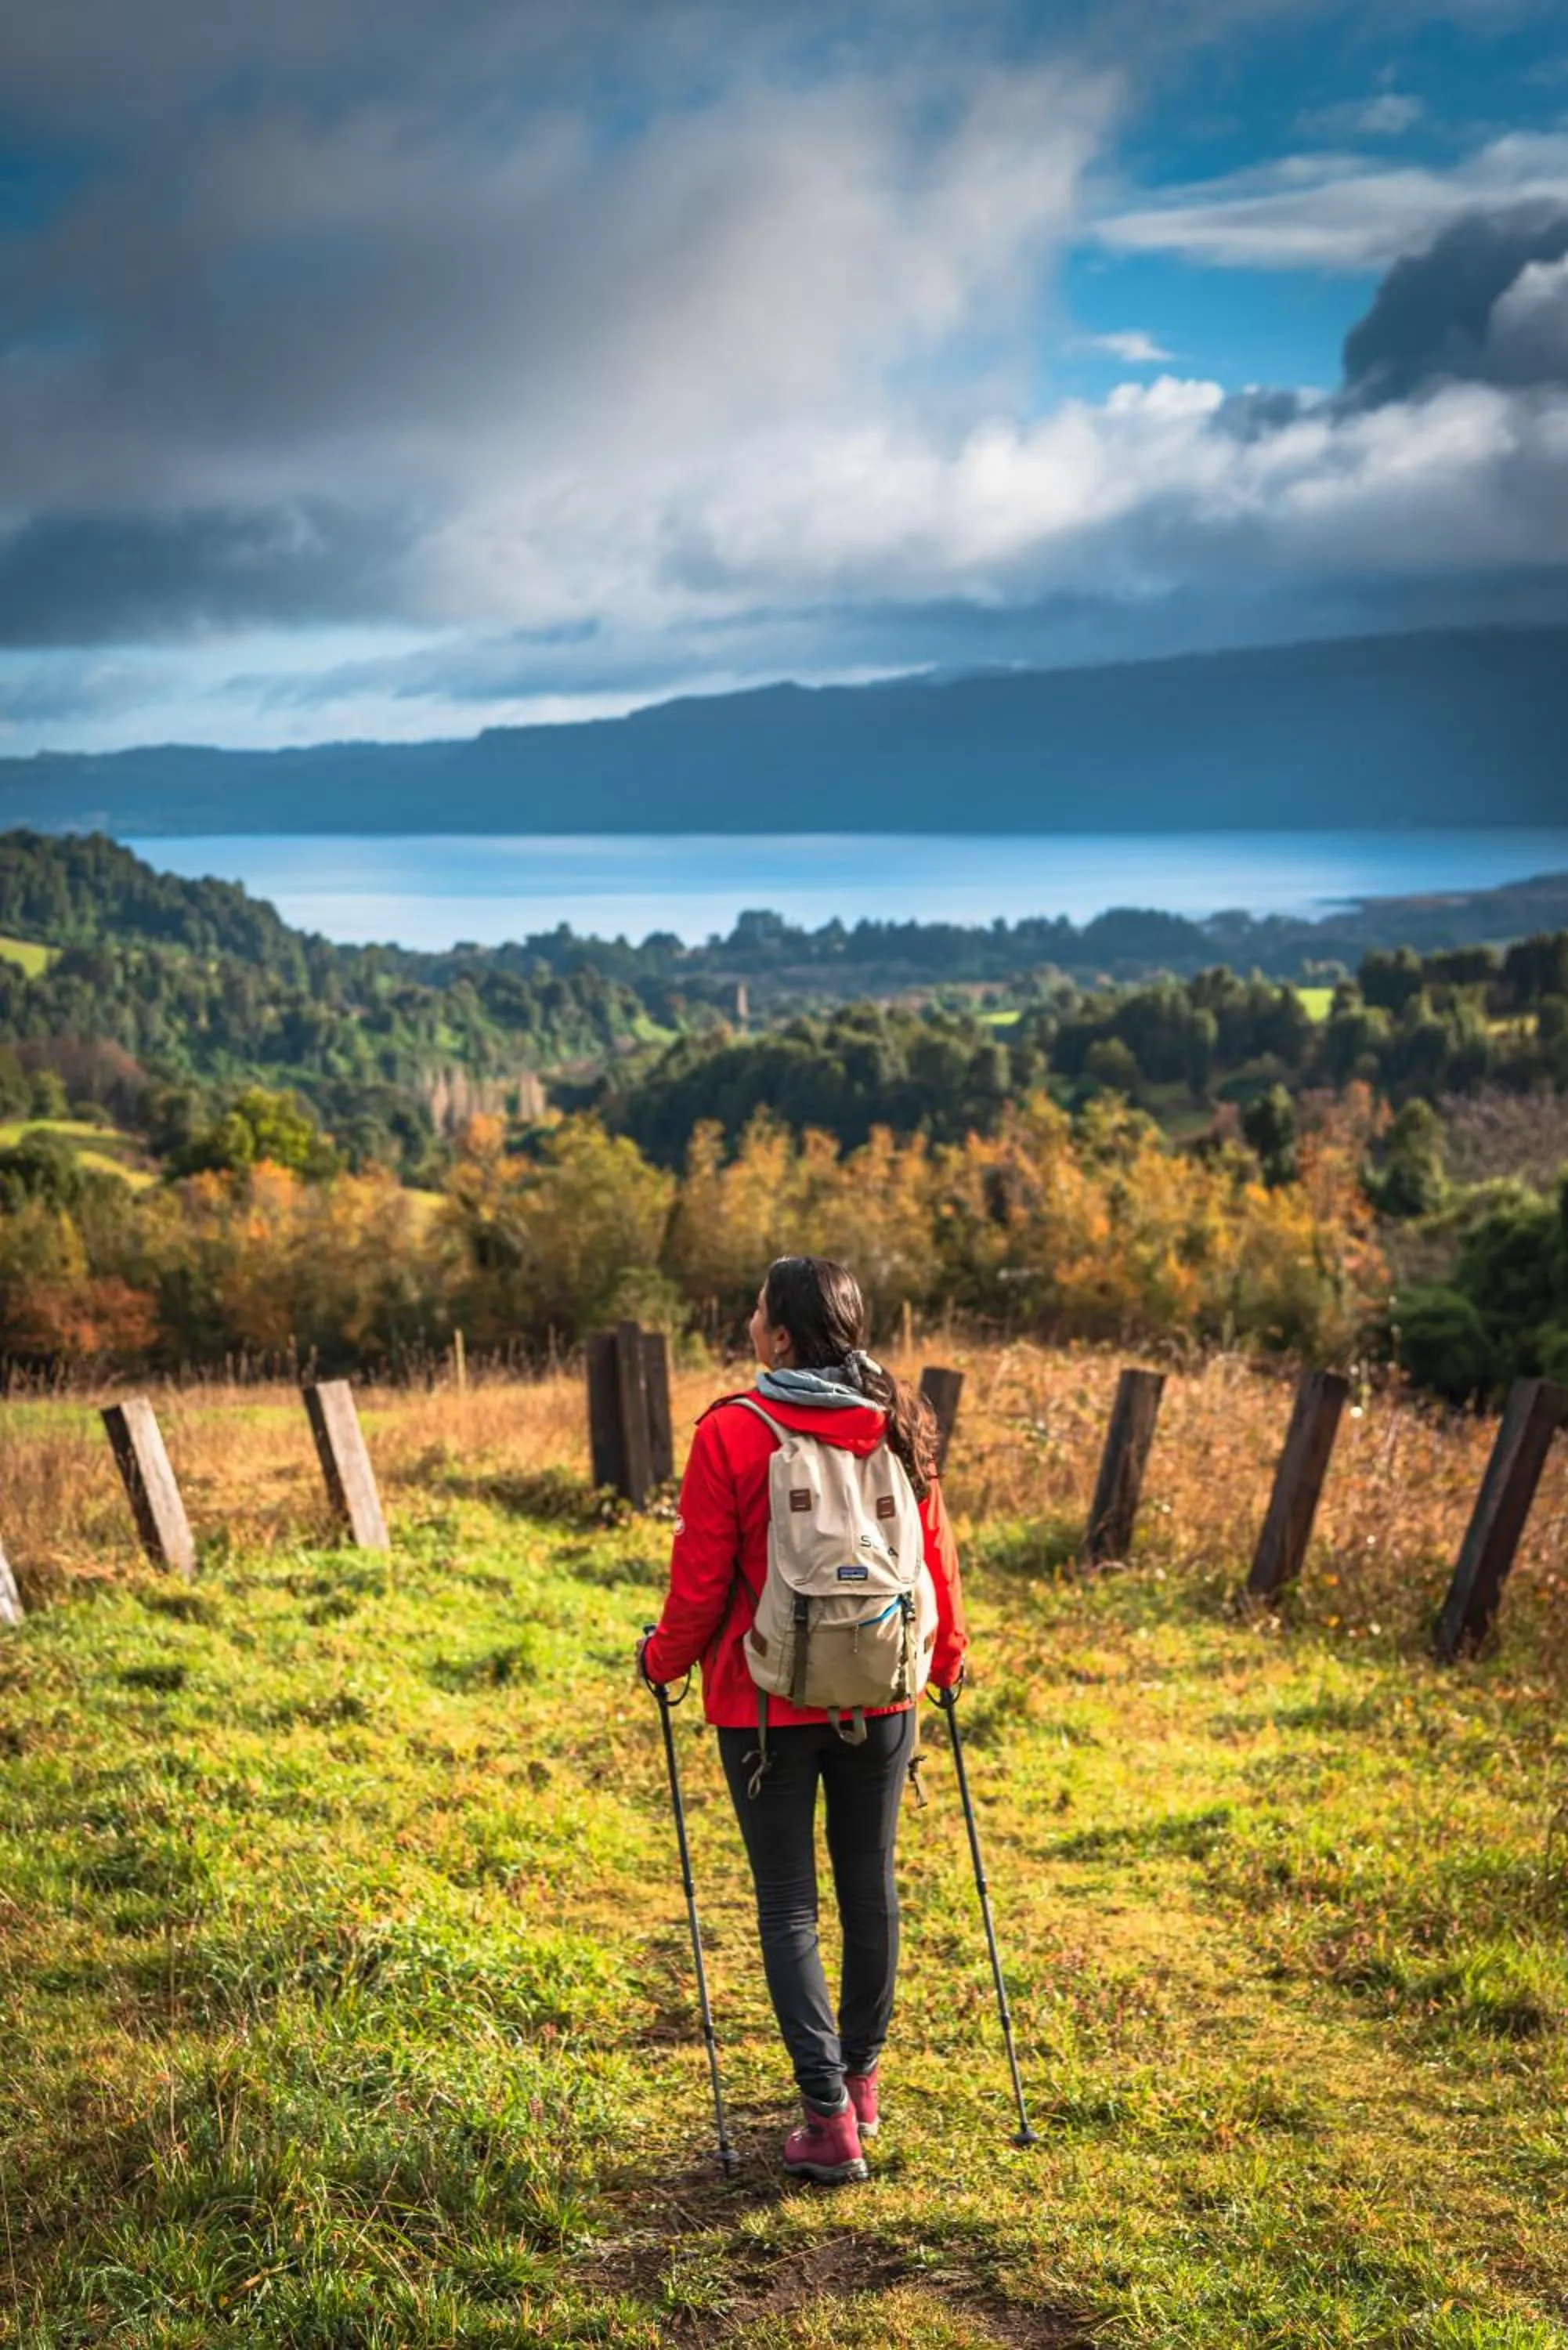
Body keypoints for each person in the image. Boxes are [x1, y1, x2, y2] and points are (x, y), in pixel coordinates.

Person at [638, 1255, 969, 2184]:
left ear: (779, 1335)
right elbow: (934, 1555)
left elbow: (700, 1587)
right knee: (870, 1888)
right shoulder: (899, 1422)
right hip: (885, 1691)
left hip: (764, 1703)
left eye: (756, 1312)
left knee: (789, 1904)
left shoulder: (733, 1433)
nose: (749, 1323)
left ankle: (826, 2121)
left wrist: (659, 1659)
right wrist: (944, 1659)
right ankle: (856, 2087)